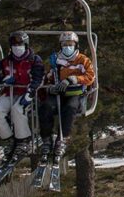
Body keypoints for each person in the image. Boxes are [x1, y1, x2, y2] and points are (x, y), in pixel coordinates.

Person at [0, 31, 45, 166]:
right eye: (14, 44)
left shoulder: (34, 60)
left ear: (26, 45)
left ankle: (23, 141)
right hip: (10, 92)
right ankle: (10, 140)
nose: (17, 47)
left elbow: (39, 77)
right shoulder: (7, 61)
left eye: (20, 44)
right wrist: (3, 79)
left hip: (27, 94)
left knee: (17, 110)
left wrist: (30, 92)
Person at [38, 31, 96, 164]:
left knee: (70, 109)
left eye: (70, 44)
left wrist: (73, 79)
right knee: (45, 107)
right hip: (57, 92)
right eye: (64, 44)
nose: (67, 47)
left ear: (75, 45)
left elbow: (90, 77)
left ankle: (62, 139)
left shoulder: (83, 60)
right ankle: (47, 139)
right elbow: (48, 76)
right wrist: (50, 85)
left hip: (74, 93)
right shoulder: (55, 60)